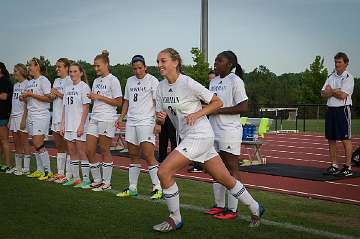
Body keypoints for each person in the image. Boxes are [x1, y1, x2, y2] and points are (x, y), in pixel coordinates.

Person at [153, 48, 264, 232]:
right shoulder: (160, 87)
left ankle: (175, 218)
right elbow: (161, 117)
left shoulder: (188, 83)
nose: (159, 65)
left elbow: (217, 102)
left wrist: (198, 113)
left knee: (164, 171)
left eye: (163, 61)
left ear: (176, 62)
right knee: (225, 179)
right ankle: (255, 207)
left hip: (200, 135)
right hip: (189, 137)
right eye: (158, 61)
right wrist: (159, 119)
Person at [205, 51, 248, 220]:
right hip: (212, 130)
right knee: (216, 168)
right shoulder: (213, 81)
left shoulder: (235, 81)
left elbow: (244, 107)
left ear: (229, 64)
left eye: (219, 60)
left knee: (231, 169)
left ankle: (232, 209)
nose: (215, 63)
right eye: (215, 60)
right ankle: (219, 205)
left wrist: (218, 110)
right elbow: (210, 104)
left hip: (229, 131)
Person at [116, 55, 162, 199]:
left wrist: (158, 123)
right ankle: (132, 187)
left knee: (148, 155)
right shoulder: (129, 81)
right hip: (132, 122)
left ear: (145, 67)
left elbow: (157, 103)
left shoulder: (153, 81)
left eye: (140, 68)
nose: (137, 71)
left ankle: (157, 188)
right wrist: (121, 117)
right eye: (135, 68)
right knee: (133, 155)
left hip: (146, 121)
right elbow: (126, 102)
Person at [87, 50, 122, 191]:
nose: (95, 68)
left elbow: (119, 102)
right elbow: (96, 97)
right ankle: (97, 179)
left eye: (98, 66)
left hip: (107, 118)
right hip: (94, 117)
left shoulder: (113, 80)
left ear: (106, 64)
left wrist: (98, 97)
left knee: (104, 149)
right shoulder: (96, 81)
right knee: (88, 150)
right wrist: (92, 97)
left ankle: (107, 182)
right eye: (94, 66)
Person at [321, 52, 354, 176]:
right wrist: (335, 91)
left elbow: (343, 95)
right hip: (331, 109)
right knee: (331, 139)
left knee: (345, 139)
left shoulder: (348, 77)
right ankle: (334, 165)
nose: (337, 64)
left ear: (346, 64)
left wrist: (332, 91)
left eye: (340, 62)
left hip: (342, 110)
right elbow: (323, 93)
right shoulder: (331, 76)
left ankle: (348, 167)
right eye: (336, 62)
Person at [60, 63, 91, 188]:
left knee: (81, 152)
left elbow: (86, 108)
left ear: (81, 73)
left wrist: (81, 125)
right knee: (72, 152)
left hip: (79, 125)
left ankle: (86, 180)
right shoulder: (67, 88)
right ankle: (76, 179)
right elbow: (64, 107)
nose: (72, 74)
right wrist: (62, 124)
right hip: (68, 125)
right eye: (70, 72)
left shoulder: (84, 87)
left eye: (74, 71)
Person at [21, 58, 53, 180]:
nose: (29, 68)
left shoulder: (43, 80)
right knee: (35, 143)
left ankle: (48, 171)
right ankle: (40, 170)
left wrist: (30, 94)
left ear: (37, 66)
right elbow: (29, 99)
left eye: (30, 66)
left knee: (38, 142)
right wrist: (23, 97)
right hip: (32, 114)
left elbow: (48, 99)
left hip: (41, 114)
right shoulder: (30, 82)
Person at [49, 58, 72, 183]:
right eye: (56, 67)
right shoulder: (56, 80)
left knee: (68, 147)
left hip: (67, 118)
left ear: (66, 68)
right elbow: (53, 97)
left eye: (59, 67)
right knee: (58, 146)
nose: (57, 69)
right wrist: (51, 95)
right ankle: (60, 173)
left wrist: (57, 93)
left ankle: (68, 175)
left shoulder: (70, 80)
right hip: (56, 116)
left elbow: (70, 98)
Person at [9, 64, 31, 175]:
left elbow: (27, 104)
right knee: (16, 143)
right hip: (14, 116)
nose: (14, 73)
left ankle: (26, 168)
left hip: (22, 116)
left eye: (15, 70)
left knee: (24, 142)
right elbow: (14, 103)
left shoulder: (27, 84)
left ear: (21, 71)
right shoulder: (15, 85)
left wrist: (23, 119)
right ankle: (18, 167)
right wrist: (10, 118)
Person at [0, 62, 13, 173]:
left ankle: (8, 164)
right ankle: (3, 163)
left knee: (4, 140)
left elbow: (4, 96)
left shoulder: (4, 81)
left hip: (3, 114)